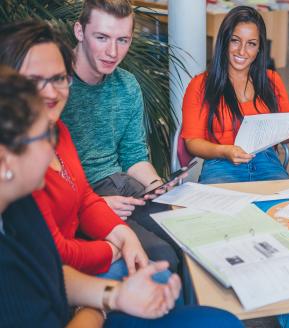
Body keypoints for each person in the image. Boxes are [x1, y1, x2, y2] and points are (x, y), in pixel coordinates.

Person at [0, 66, 242, 327]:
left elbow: (51, 271)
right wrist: (100, 306)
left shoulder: (20, 208)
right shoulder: (9, 269)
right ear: (5, 162)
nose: (54, 148)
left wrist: (113, 293)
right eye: (44, 137)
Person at [0, 20, 165, 281]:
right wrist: (114, 249)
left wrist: (125, 236)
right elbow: (56, 252)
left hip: (78, 252)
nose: (51, 92)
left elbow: (84, 198)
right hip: (54, 276)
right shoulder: (17, 159)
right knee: (159, 270)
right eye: (34, 80)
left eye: (58, 79)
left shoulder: (59, 131)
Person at [57, 0, 181, 271]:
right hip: (78, 196)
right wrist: (94, 206)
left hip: (120, 185)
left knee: (187, 235)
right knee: (163, 255)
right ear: (79, 31)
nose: (112, 52)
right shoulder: (53, 87)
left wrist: (156, 186)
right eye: (102, 38)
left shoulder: (127, 85)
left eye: (122, 40)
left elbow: (134, 156)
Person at [182, 6, 289, 184]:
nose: (242, 51)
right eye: (235, 41)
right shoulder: (201, 85)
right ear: (224, 41)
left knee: (282, 208)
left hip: (266, 161)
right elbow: (192, 142)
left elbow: (288, 134)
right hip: (219, 162)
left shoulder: (271, 80)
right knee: (218, 211)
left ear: (259, 49)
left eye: (251, 43)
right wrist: (224, 151)